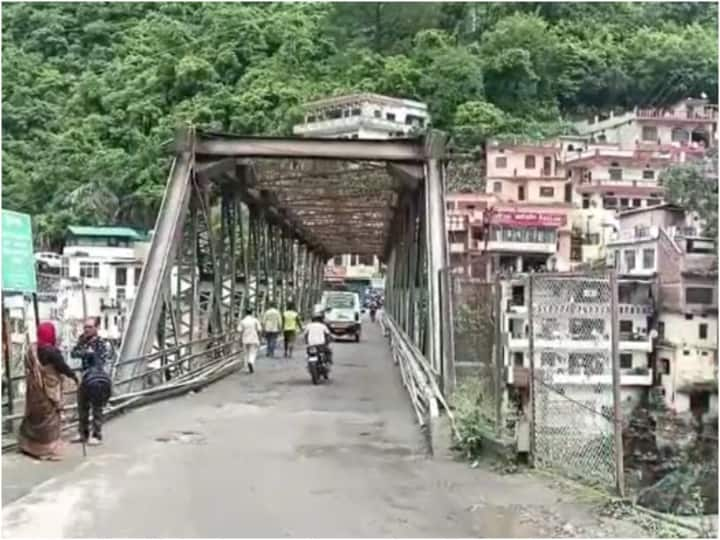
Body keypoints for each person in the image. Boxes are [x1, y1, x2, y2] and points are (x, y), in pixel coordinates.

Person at [18, 322, 79, 460]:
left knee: (36, 416)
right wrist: (74, 377)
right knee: (50, 419)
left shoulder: (31, 350)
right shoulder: (51, 351)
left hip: (34, 390)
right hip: (49, 390)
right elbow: (62, 367)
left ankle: (30, 446)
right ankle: (47, 449)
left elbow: (28, 366)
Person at [71, 317, 111, 445]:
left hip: (97, 378)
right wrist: (86, 352)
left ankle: (96, 434)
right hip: (85, 377)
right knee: (82, 406)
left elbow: (100, 359)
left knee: (96, 407)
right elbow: (74, 353)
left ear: (96, 328)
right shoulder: (82, 340)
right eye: (85, 327)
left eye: (89, 327)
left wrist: (89, 353)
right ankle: (83, 433)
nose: (86, 330)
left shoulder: (101, 342)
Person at [239, 307, 262, 373]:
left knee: (245, 354)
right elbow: (260, 330)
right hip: (254, 338)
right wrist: (259, 338)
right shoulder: (255, 320)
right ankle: (251, 362)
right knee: (252, 352)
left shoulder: (242, 321)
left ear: (245, 313)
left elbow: (239, 331)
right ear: (252, 312)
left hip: (245, 339)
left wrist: (240, 340)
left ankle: (246, 368)